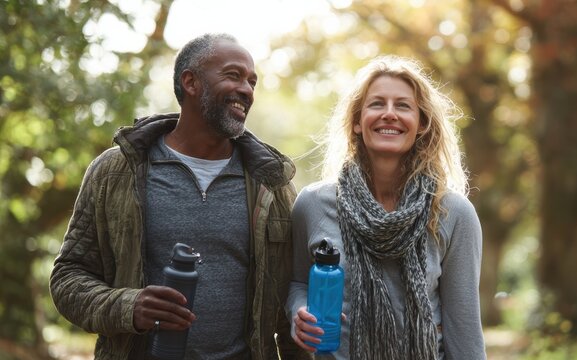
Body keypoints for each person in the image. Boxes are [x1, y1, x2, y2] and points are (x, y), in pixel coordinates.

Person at [50, 33, 309, 359]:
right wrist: (130, 307)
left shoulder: (272, 183)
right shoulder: (115, 171)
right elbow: (68, 278)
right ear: (191, 82)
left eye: (252, 82)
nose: (246, 89)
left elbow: (293, 300)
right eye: (233, 75)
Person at [286, 55, 486, 359]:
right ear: (356, 122)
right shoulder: (313, 204)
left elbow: (464, 327)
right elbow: (298, 281)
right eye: (377, 104)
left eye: (403, 106)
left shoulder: (454, 213)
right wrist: (298, 310)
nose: (389, 114)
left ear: (421, 124)